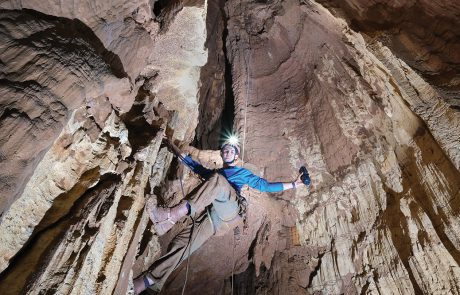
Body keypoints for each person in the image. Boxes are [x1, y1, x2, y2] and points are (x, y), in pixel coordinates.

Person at [134, 137, 310, 294]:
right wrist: (174, 148)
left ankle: (170, 216)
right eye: (225, 150)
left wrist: (294, 184)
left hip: (232, 210)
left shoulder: (241, 173)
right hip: (214, 218)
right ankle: (145, 283)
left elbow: (266, 187)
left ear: (236, 156)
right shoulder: (216, 174)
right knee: (181, 244)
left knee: (218, 181)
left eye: (231, 151)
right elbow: (194, 165)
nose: (227, 152)